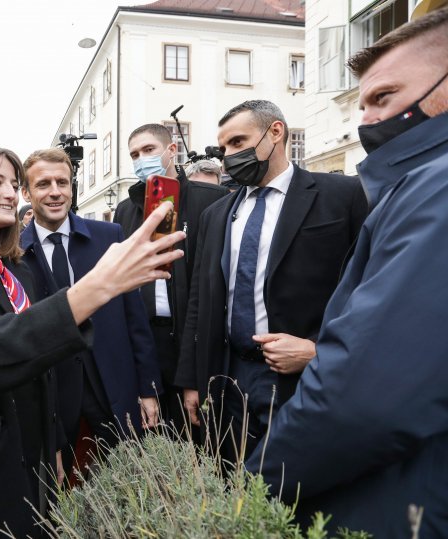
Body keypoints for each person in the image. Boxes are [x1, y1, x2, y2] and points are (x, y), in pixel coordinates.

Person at [246, 9, 448, 536]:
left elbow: (367, 396)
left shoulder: (437, 187)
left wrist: (251, 490)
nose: (367, 121)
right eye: (362, 104)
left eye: (385, 97)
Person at [0, 144, 184, 538]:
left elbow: (41, 363)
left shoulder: (13, 268)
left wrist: (53, 442)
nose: (10, 192)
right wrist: (96, 287)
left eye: (12, 182)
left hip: (35, 451)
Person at [177, 100, 368, 462]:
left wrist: (319, 352)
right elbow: (199, 301)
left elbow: (368, 288)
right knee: (233, 483)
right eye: (224, 148)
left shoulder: (342, 196)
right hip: (229, 377)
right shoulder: (216, 215)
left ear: (275, 132)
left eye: (238, 142)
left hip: (302, 377)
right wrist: (192, 379)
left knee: (295, 489)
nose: (228, 157)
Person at [20, 148, 162, 476]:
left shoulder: (109, 238)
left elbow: (134, 319)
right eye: (43, 184)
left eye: (62, 182)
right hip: (53, 391)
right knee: (58, 485)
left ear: (73, 187)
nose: (55, 191)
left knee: (129, 480)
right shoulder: (13, 252)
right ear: (26, 193)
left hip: (113, 380)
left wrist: (148, 389)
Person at [114, 124, 228, 433]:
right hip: (149, 338)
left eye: (149, 150)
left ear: (171, 150)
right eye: (134, 154)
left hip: (195, 338)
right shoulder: (126, 211)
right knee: (153, 434)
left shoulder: (212, 199)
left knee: (201, 434)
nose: (141, 159)